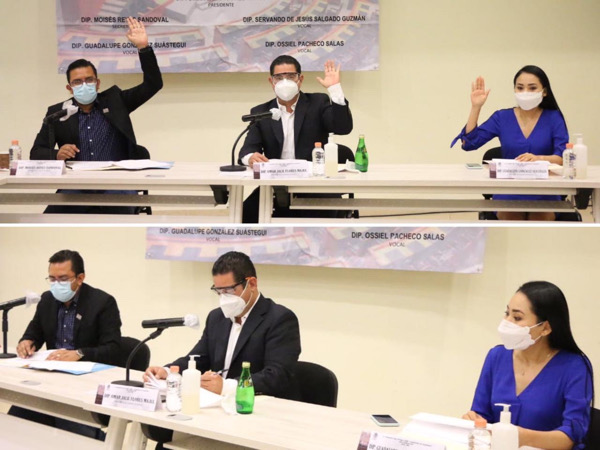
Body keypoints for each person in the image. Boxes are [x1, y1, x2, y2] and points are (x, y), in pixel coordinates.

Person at [30, 17, 163, 214]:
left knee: (123, 220)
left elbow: (153, 84)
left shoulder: (116, 102)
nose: (84, 85)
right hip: (76, 186)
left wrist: (143, 48)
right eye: (77, 82)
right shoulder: (58, 113)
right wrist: (56, 154)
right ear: (69, 88)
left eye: (89, 80)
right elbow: (36, 152)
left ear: (98, 83)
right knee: (48, 219)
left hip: (118, 185)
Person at [144, 251, 301, 399]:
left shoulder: (279, 319)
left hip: (256, 404)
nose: (224, 297)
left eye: (229, 290)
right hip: (217, 402)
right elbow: (199, 358)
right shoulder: (217, 317)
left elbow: (277, 375)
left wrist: (228, 386)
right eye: (219, 291)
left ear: (252, 284)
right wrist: (169, 371)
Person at [463, 281, 593, 450]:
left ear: (545, 328)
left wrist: (519, 437)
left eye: (517, 318)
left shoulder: (574, 366)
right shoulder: (496, 356)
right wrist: (473, 421)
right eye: (507, 313)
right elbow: (481, 415)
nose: (507, 322)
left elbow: (571, 436)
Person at [11, 249, 122, 439]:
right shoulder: (47, 300)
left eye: (62, 279)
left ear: (80, 278)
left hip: (85, 384)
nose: (56, 284)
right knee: (16, 424)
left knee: (73, 432)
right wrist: (26, 342)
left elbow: (113, 348)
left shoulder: (102, 302)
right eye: (52, 279)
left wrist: (79, 353)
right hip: (50, 379)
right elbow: (34, 332)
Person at [238, 55, 354, 222]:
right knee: (244, 215)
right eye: (279, 77)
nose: (285, 82)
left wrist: (335, 89)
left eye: (291, 76)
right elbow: (247, 148)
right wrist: (250, 158)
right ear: (271, 81)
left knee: (322, 223)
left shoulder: (318, 102)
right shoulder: (262, 112)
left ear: (300, 79)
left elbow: (343, 128)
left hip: (315, 185)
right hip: (276, 186)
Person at [451, 66, 568, 221]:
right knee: (511, 217)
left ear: (544, 91)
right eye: (520, 88)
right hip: (508, 189)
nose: (525, 92)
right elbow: (468, 144)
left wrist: (539, 159)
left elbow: (563, 157)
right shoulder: (502, 117)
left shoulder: (554, 117)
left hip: (545, 189)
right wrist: (476, 107)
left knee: (539, 218)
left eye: (532, 88)